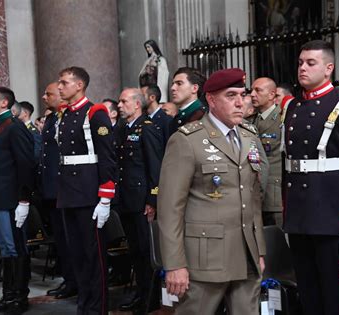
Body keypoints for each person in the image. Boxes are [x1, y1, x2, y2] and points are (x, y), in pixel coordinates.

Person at [158, 68, 266, 314]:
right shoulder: (187, 140)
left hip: (246, 254)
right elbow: (170, 208)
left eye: (243, 94)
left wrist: (259, 249)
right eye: (231, 95)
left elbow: (252, 197)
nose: (240, 102)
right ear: (211, 99)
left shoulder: (248, 136)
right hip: (205, 259)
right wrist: (174, 264)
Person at [282, 40, 339, 315]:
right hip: (300, 219)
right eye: (300, 63)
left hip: (332, 219)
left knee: (336, 299)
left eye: (311, 63)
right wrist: (289, 216)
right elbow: (289, 168)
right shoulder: (292, 106)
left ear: (329, 68)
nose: (303, 68)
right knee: (308, 296)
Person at [56, 66, 116, 315]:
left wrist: (105, 197)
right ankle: (84, 305)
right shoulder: (65, 114)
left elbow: (107, 157)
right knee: (77, 255)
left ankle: (97, 308)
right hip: (69, 193)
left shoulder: (95, 112)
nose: (60, 87)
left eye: (64, 82)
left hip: (89, 192)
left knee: (94, 257)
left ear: (79, 85)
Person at [0, 87, 35, 314]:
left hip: (10, 199)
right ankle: (8, 296)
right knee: (5, 248)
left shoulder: (14, 128)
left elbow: (25, 165)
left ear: (5, 103)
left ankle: (18, 297)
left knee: (15, 247)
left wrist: (24, 200)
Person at [115, 88, 163, 312]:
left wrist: (152, 200)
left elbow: (155, 167)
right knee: (134, 251)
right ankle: (141, 293)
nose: (119, 105)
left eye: (124, 101)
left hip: (142, 201)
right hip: (127, 199)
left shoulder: (148, 129)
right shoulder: (125, 129)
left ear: (137, 104)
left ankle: (150, 299)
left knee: (146, 252)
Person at [39, 82, 78, 300]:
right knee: (61, 239)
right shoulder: (52, 118)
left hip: (65, 188)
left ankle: (74, 281)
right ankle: (68, 279)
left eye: (49, 93)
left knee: (70, 239)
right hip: (51, 188)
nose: (45, 97)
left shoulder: (67, 116)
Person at [249, 77, 283, 226]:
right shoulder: (252, 120)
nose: (252, 94)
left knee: (276, 239)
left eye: (258, 90)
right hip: (255, 190)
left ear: (271, 95)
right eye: (251, 90)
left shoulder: (282, 119)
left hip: (274, 191)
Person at [169, 67, 207, 134]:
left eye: (179, 83)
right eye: (173, 84)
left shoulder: (203, 115)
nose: (172, 88)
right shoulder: (177, 118)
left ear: (194, 88)